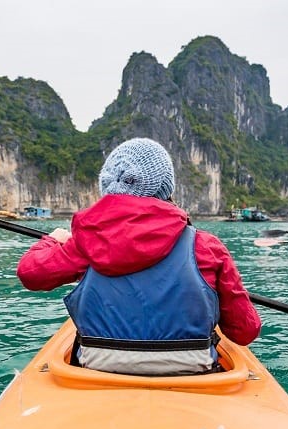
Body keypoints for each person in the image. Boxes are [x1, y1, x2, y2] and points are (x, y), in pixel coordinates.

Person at [16, 138, 261, 376]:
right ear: (166, 187)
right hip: (193, 371)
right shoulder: (207, 247)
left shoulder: (84, 243)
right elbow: (245, 332)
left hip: (97, 371)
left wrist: (53, 240)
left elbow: (30, 274)